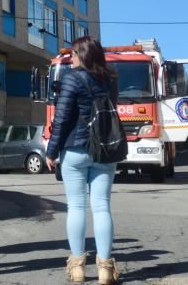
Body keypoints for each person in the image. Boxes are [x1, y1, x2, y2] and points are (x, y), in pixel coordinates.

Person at [44, 36, 120, 284]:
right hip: (105, 149)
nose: (71, 59)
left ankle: (77, 268)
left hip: (75, 149)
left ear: (82, 55)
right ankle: (106, 269)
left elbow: (63, 118)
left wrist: (51, 151)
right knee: (101, 207)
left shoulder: (71, 78)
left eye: (74, 55)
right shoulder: (110, 78)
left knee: (76, 207)